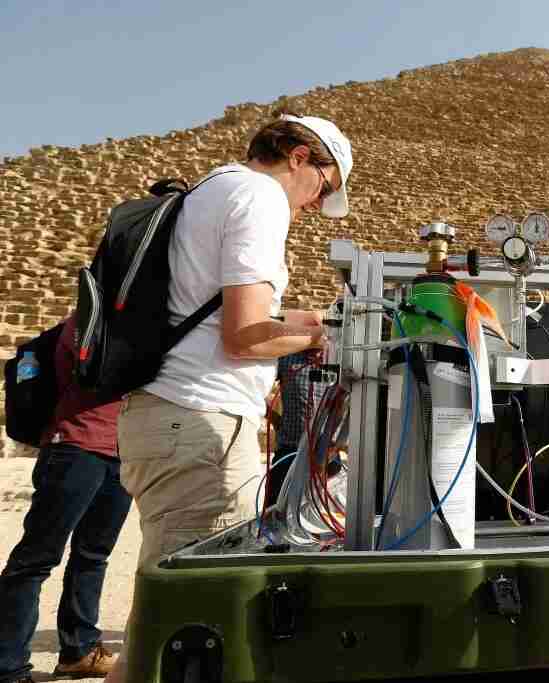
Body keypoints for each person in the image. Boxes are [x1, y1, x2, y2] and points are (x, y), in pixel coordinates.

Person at [106, 112, 353, 683]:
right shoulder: (261, 198)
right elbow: (244, 334)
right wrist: (328, 336)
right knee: (190, 627)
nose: (320, 203)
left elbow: (229, 317)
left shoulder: (215, 187)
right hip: (201, 422)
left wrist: (312, 319)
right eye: (326, 185)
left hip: (174, 417)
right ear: (297, 156)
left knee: (157, 626)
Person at [0, 318, 131, 683]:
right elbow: (116, 368)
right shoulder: (88, 322)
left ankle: (79, 651)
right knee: (36, 558)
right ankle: (8, 664)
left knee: (93, 556)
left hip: (121, 452)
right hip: (75, 448)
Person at [265, 348, 328, 505]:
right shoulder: (287, 358)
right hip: (289, 450)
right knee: (275, 508)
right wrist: (276, 420)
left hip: (324, 454)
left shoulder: (336, 360)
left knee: (315, 513)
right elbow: (256, 386)